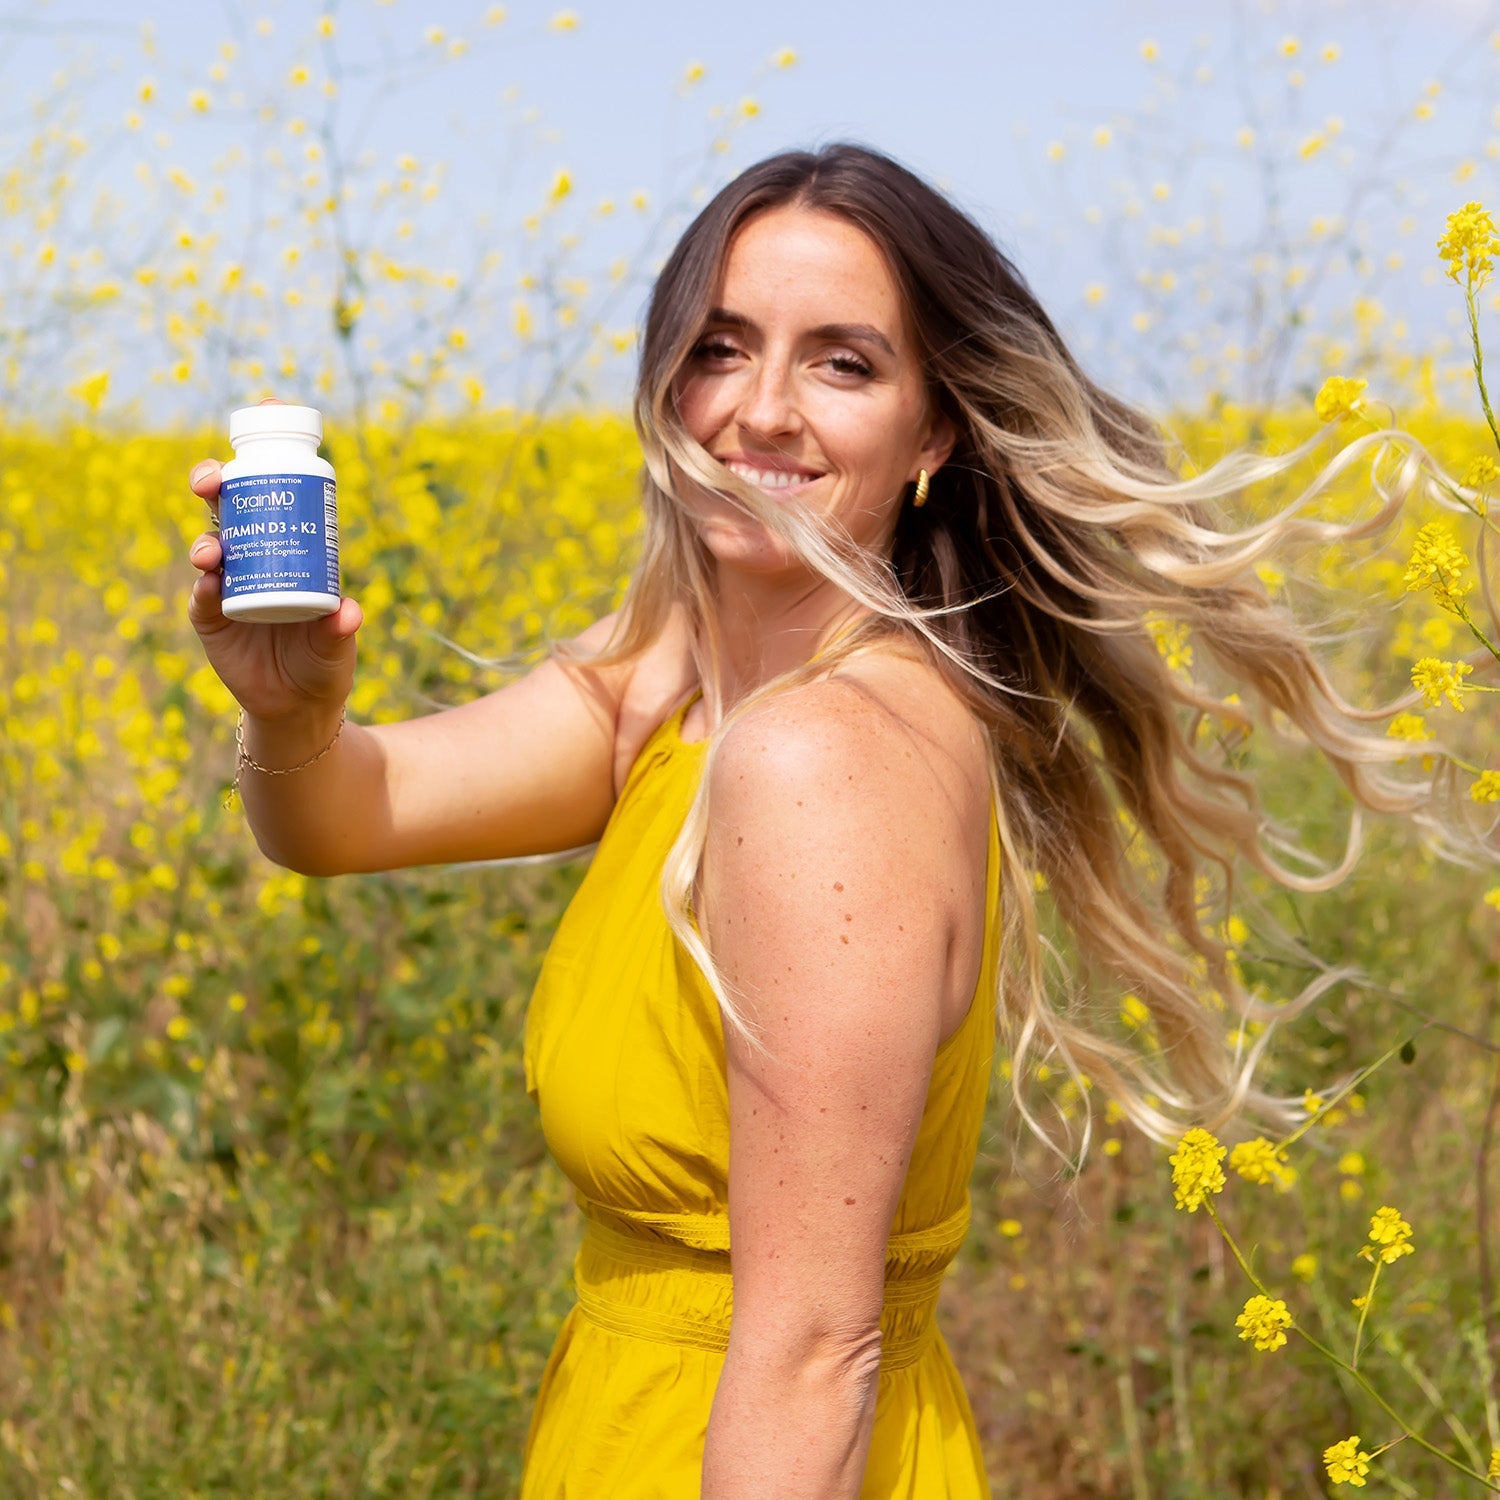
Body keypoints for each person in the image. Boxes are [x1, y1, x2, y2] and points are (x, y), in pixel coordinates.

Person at [186, 143, 1450, 1497]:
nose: (763, 411)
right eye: (722, 348)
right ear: (669, 381)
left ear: (935, 430)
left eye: (843, 364)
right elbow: (337, 818)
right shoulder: (673, 682)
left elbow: (811, 1347)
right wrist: (290, 712)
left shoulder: (820, 760)